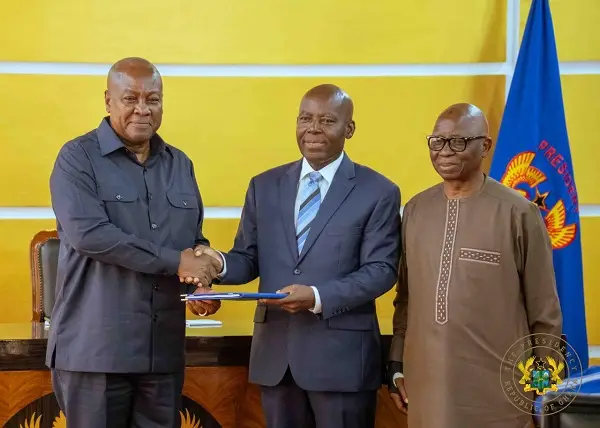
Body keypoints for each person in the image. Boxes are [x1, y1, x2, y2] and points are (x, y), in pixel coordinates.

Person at [189, 84, 401, 428]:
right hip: (277, 360)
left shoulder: (378, 191)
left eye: (327, 120)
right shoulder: (264, 185)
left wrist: (317, 296)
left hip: (342, 363)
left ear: (349, 129)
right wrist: (218, 264)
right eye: (305, 119)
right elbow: (248, 258)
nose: (313, 129)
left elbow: (381, 270)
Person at [47, 57, 222, 428]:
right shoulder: (77, 158)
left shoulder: (180, 164)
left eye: (153, 99)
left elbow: (192, 240)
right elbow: (90, 235)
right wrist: (178, 262)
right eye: (131, 98)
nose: (143, 109)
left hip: (162, 354)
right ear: (108, 101)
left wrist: (200, 283)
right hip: (96, 353)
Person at [387, 103, 563, 428]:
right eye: (437, 141)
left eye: (458, 142)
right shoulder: (415, 210)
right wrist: (397, 366)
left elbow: (545, 314)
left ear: (485, 146)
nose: (445, 151)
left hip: (501, 394)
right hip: (426, 390)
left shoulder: (518, 213)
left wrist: (542, 390)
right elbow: (406, 299)